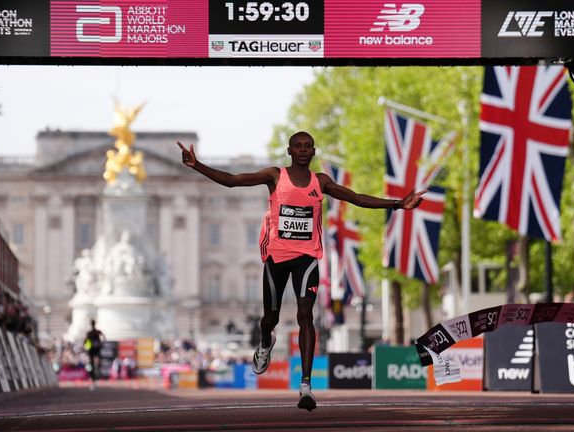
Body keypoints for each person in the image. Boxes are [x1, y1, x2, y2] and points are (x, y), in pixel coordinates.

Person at [177, 132, 426, 411]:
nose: (304, 150)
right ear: (290, 150)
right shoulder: (274, 176)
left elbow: (356, 198)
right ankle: (265, 341)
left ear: (314, 152)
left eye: (308, 147)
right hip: (276, 258)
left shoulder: (321, 182)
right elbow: (234, 181)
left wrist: (397, 205)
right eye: (299, 146)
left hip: (307, 257)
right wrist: (196, 165)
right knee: (269, 318)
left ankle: (306, 385)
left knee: (305, 314)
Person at [84, 319, 105, 389]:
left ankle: (94, 376)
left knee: (94, 364)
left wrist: (100, 343)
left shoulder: (93, 332)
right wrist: (101, 343)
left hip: (94, 350)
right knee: (93, 364)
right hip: (93, 350)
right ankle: (93, 377)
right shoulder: (94, 332)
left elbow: (85, 342)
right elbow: (85, 341)